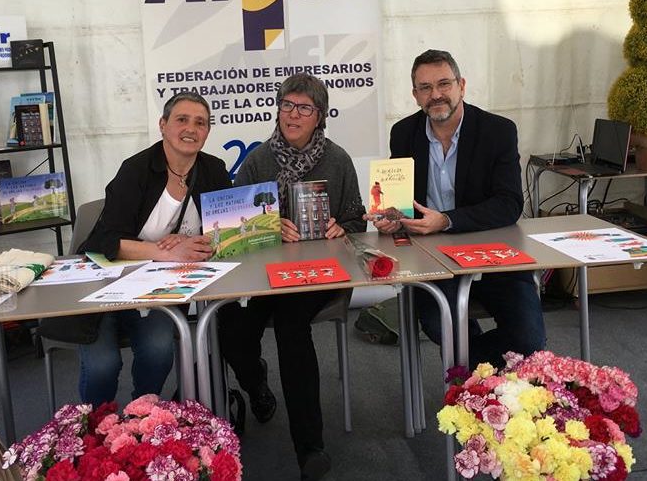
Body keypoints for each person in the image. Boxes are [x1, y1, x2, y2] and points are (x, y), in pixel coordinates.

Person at [217, 73, 366, 481]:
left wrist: (341, 226)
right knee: (230, 327)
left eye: (304, 108)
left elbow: (357, 217)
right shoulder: (259, 159)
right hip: (264, 273)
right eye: (287, 105)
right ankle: (258, 388)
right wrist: (269, 225)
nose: (293, 114)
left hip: (318, 276)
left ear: (319, 116)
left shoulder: (338, 160)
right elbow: (235, 221)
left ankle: (310, 447)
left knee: (290, 324)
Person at [52, 92, 231, 406]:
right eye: (182, 120)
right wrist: (164, 251)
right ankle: (93, 427)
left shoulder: (213, 170)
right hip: (105, 283)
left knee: (159, 348)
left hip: (159, 288)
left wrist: (195, 242)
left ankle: (142, 416)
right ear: (163, 125)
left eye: (200, 122)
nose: (191, 128)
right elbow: (103, 242)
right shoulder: (136, 170)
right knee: (103, 364)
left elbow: (225, 231)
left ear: (208, 132)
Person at [371, 49, 546, 368]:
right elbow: (401, 203)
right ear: (415, 95)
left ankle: (469, 375)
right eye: (425, 87)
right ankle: (477, 392)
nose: (435, 94)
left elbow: (509, 204)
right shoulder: (404, 134)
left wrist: (447, 221)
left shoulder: (498, 131)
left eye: (443, 84)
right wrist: (392, 218)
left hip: (493, 253)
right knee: (444, 328)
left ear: (461, 85)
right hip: (431, 259)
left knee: (529, 339)